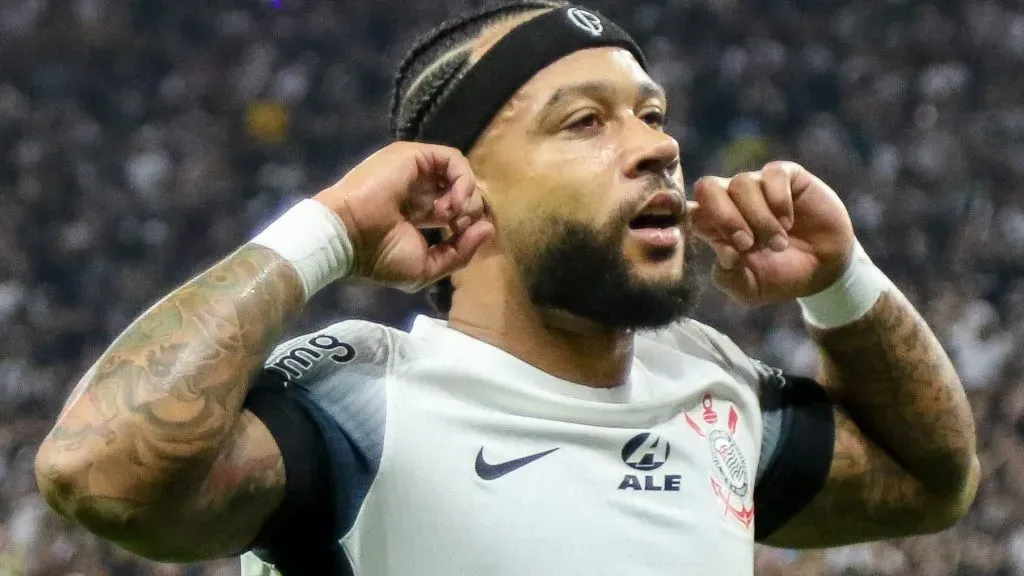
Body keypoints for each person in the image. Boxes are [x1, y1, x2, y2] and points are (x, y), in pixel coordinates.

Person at [34, 2, 980, 575]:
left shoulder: (709, 388)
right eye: (585, 123)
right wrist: (326, 231)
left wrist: (844, 285)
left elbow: (930, 482)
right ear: (456, 182)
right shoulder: (363, 404)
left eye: (652, 114)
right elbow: (96, 475)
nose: (657, 145)